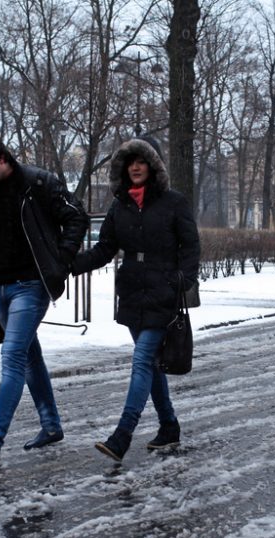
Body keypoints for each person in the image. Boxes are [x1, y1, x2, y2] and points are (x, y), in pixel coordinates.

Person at [0, 130, 88, 465]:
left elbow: (77, 217)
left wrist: (61, 259)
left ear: (2, 158)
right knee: (29, 356)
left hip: (31, 285)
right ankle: (51, 424)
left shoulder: (38, 183)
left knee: (13, 357)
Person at [72, 136, 200, 463]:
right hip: (132, 292)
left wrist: (182, 279)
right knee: (152, 364)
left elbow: (191, 246)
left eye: (141, 160)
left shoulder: (174, 202)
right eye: (130, 161)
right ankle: (169, 425)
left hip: (163, 292)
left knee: (143, 359)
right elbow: (105, 249)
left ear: (153, 165)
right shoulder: (120, 206)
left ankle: (123, 434)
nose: (135, 167)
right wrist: (70, 266)